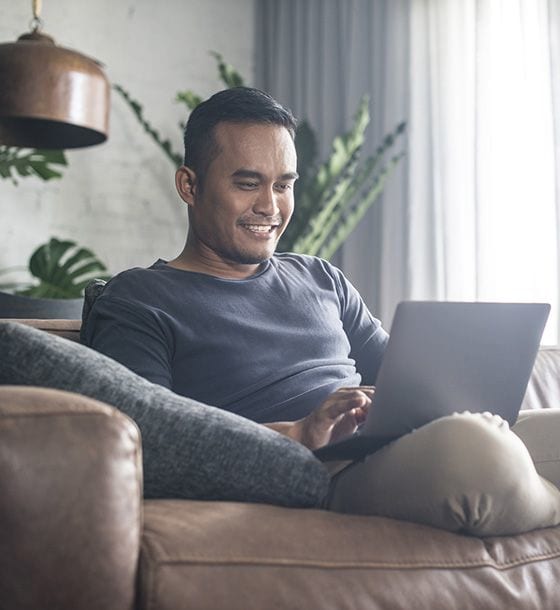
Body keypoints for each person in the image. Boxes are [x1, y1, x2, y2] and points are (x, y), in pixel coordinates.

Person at [85, 87, 560, 536]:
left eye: (284, 185)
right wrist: (296, 433)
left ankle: (517, 483)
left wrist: (456, 401)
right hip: (315, 474)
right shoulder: (139, 298)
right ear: (190, 185)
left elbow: (407, 381)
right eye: (248, 184)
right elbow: (147, 439)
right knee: (477, 453)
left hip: (391, 449)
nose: (269, 206)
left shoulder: (320, 277)